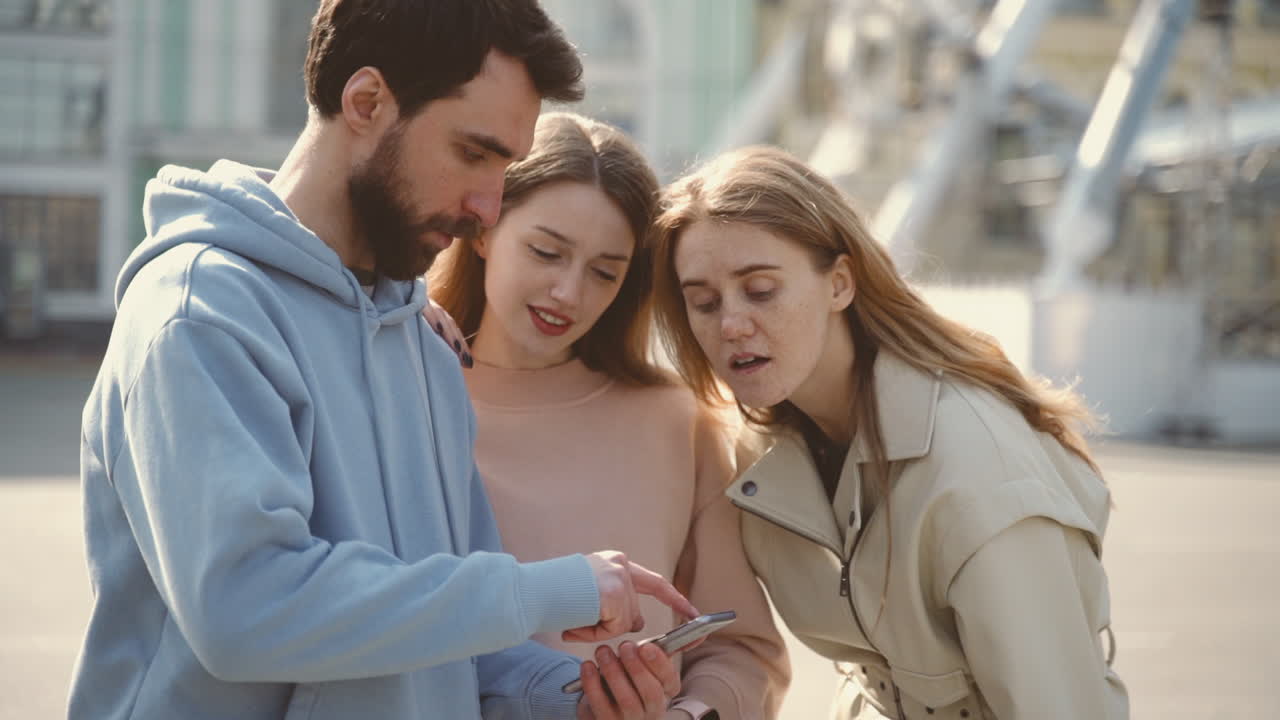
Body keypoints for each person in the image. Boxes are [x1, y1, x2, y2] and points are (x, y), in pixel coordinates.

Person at [68, 3, 698, 719]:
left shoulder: (424, 347)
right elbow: (247, 609)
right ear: (365, 101)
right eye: (473, 153)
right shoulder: (200, 313)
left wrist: (575, 700)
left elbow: (459, 645)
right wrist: (539, 591)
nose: (490, 207)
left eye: (506, 167)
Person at [648, 145, 1129, 720]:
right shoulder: (760, 454)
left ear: (840, 284)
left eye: (760, 291)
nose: (730, 324)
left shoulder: (978, 474)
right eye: (702, 302)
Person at [424, 112, 790, 720]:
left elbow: (742, 649)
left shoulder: (674, 421)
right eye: (546, 252)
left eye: (604, 272)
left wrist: (685, 714)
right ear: (484, 230)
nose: (568, 293)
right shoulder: (402, 394)